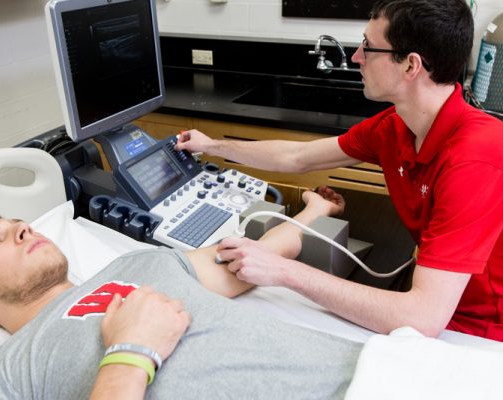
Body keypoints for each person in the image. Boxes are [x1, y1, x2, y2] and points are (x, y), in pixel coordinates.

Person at [175, 0, 503, 342]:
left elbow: (422, 317)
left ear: (410, 66)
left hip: (482, 331)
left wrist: (283, 271)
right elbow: (296, 157)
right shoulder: (395, 128)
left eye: (368, 47)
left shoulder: (477, 156)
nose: (357, 56)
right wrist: (211, 145)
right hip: (440, 305)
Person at [0, 188, 360, 399]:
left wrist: (315, 209)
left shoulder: (139, 263)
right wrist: (129, 355)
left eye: (17, 224)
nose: (22, 229)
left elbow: (259, 256)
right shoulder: (0, 375)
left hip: (377, 372)